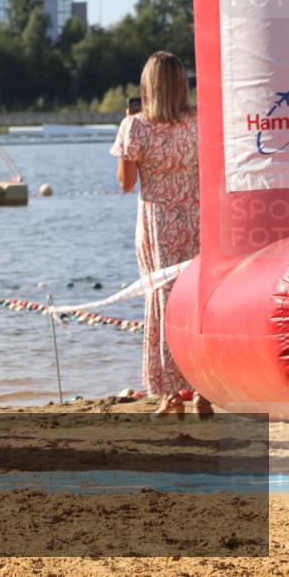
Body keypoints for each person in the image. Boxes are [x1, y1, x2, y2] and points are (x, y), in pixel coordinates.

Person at [110, 51, 211, 419]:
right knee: (199, 303)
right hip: (199, 219)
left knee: (163, 304)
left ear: (147, 86)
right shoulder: (199, 121)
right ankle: (203, 389)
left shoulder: (135, 126)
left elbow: (125, 184)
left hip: (158, 224)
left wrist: (127, 141)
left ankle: (170, 394)